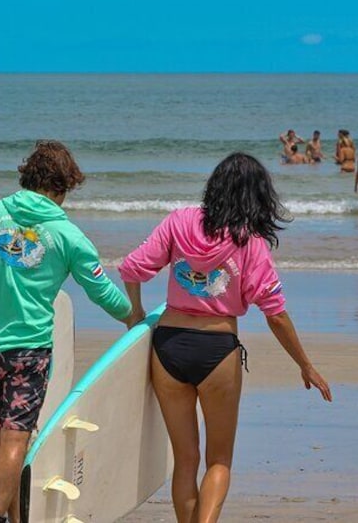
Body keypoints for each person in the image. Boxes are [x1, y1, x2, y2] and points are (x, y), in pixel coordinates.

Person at [118, 152, 332, 523]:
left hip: (167, 346)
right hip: (217, 351)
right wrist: (305, 364)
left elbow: (132, 267)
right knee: (219, 461)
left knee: (185, 461)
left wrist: (135, 315)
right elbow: (275, 314)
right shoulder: (250, 242)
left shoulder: (179, 222)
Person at [0, 139, 133, 523]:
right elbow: (103, 292)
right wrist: (132, 317)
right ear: (61, 188)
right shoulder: (68, 235)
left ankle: (13, 518)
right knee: (17, 437)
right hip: (28, 351)